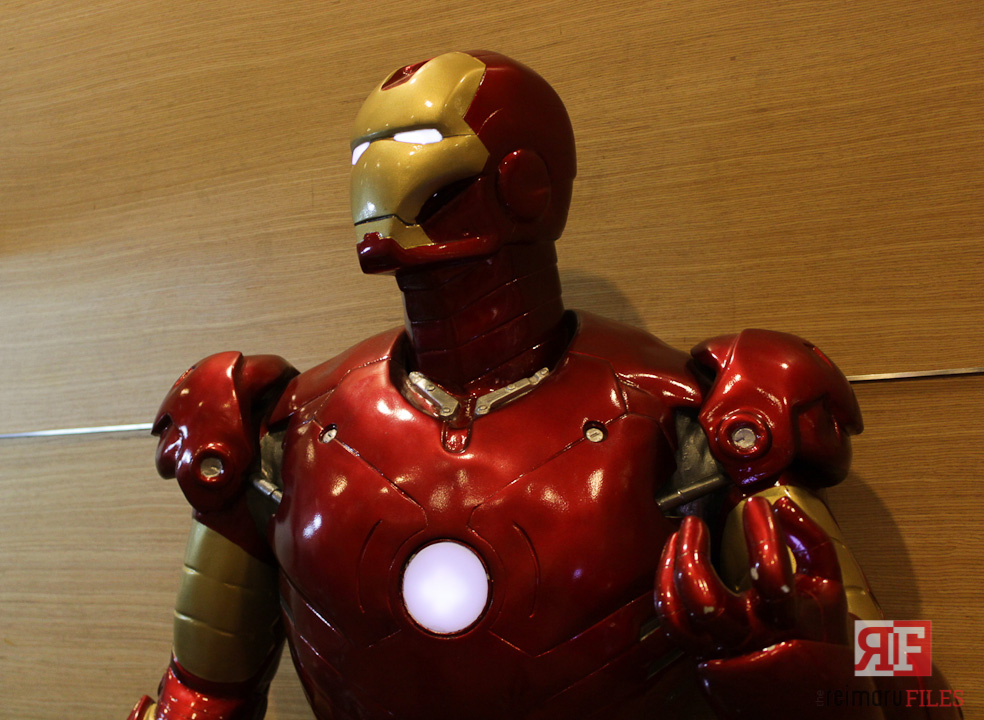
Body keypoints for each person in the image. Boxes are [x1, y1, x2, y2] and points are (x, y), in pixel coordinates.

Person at [129, 51, 959, 720]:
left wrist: (809, 682)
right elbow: (201, 689)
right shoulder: (286, 429)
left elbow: (910, 684)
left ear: (524, 179)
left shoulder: (702, 420)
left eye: (416, 143)